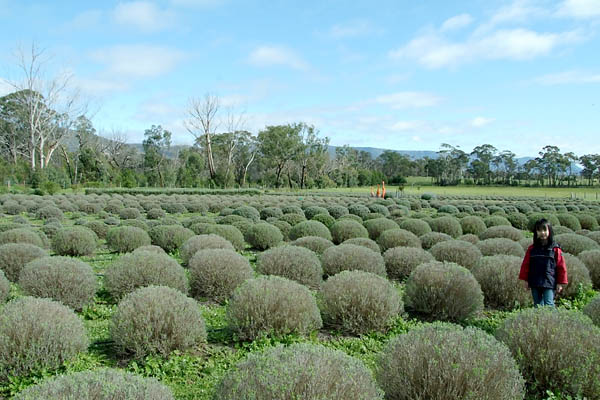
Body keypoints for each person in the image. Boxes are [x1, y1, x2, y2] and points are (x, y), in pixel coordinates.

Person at [518, 218, 568, 307]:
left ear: (549, 231)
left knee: (549, 304)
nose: (542, 232)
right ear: (536, 232)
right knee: (537, 305)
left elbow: (561, 266)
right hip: (534, 281)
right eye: (539, 230)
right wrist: (525, 280)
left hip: (549, 281)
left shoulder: (555, 249)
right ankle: (539, 320)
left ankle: (552, 320)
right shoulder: (532, 249)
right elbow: (526, 265)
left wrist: (560, 283)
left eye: (544, 230)